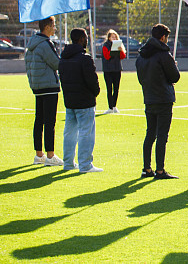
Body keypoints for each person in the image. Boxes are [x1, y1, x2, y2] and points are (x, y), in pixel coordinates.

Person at [136, 24, 180, 180]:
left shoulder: (142, 55)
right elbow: (175, 77)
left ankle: (147, 168)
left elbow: (141, 78)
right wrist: (174, 66)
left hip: (149, 97)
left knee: (150, 134)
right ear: (163, 37)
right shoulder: (163, 55)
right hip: (163, 98)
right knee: (162, 135)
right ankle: (160, 170)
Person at [59, 28, 102, 173]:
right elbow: (92, 80)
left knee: (69, 132)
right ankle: (85, 165)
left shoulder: (64, 57)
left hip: (70, 100)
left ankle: (68, 163)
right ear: (81, 39)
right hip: (84, 101)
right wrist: (96, 92)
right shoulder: (84, 58)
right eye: (86, 37)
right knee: (86, 133)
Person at [25, 16, 63, 167]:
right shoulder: (45, 44)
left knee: (38, 120)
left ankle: (38, 155)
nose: (55, 28)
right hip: (49, 87)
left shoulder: (32, 44)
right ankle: (50, 156)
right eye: (54, 25)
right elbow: (56, 63)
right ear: (47, 27)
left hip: (37, 86)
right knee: (49, 122)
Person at [101, 29, 126, 114]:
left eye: (115, 37)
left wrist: (120, 50)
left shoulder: (119, 45)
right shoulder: (105, 45)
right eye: (112, 37)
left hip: (117, 69)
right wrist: (113, 50)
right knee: (109, 88)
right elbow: (107, 56)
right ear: (109, 38)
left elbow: (123, 56)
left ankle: (114, 106)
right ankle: (110, 107)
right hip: (108, 70)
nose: (114, 38)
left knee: (116, 88)